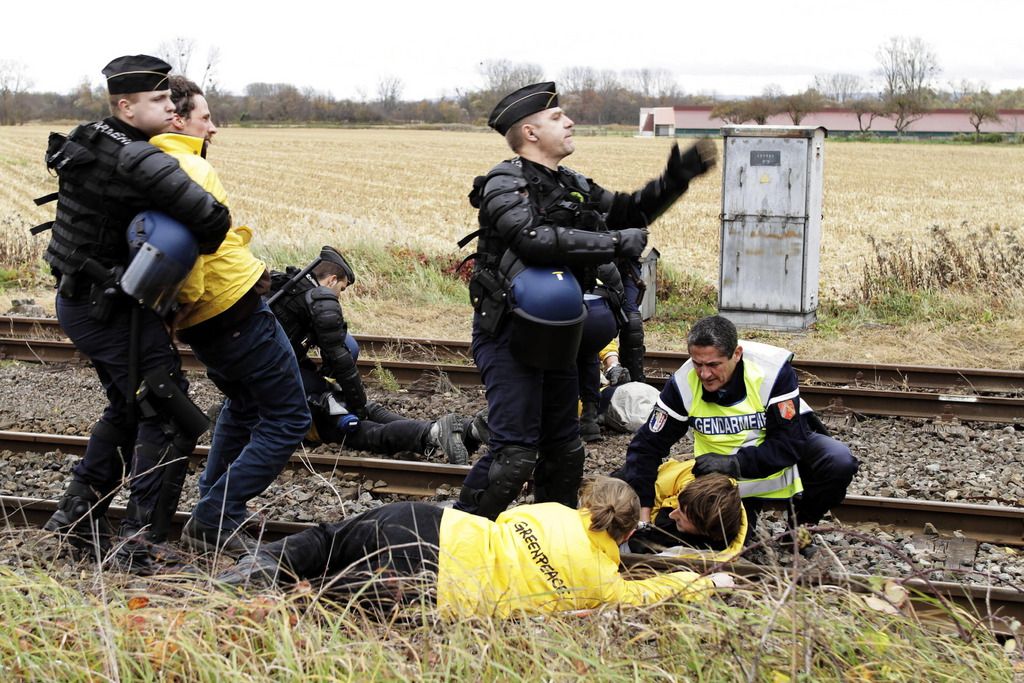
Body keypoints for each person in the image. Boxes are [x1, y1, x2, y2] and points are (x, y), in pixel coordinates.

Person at [455, 81, 717, 520]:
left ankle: (548, 541)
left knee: (565, 451)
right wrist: (614, 243)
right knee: (515, 455)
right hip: (508, 335)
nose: (569, 121)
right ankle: (456, 536)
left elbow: (629, 211)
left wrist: (675, 180)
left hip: (559, 337)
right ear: (531, 133)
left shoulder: (570, 183)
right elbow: (532, 239)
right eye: (557, 117)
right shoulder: (505, 180)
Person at [35, 55, 230, 562]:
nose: (171, 108)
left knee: (128, 408)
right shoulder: (139, 159)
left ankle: (74, 522)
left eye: (171, 99)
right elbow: (214, 220)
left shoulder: (92, 134)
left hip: (83, 301)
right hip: (107, 309)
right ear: (127, 106)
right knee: (168, 412)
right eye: (159, 100)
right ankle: (139, 546)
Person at [154, 76, 311, 556]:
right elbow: (194, 253)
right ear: (178, 119)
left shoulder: (153, 163)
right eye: (206, 117)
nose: (214, 128)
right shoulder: (189, 167)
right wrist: (199, 298)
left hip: (211, 318)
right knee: (289, 417)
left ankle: (213, 505)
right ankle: (216, 515)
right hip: (232, 307)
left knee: (243, 407)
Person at [217, 475, 734, 617]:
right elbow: (650, 593)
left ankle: (259, 565)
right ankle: (280, 598)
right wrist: (704, 581)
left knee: (328, 541)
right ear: (625, 535)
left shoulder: (552, 513)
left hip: (429, 524)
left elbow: (508, 517)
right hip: (434, 585)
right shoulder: (601, 584)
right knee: (329, 595)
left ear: (590, 504)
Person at [619, 315, 859, 548]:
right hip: (727, 483)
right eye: (697, 364)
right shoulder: (683, 383)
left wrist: (734, 463)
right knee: (723, 539)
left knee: (838, 460)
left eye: (713, 365)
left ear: (736, 354)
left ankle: (801, 528)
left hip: (764, 464)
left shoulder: (772, 372)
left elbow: (789, 443)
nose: (704, 374)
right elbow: (646, 446)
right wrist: (643, 517)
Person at [267, 248, 484, 464]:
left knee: (366, 421)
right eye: (341, 289)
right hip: (293, 402)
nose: (340, 296)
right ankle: (444, 431)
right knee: (363, 423)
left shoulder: (288, 298)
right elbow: (341, 358)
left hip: (288, 394)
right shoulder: (309, 302)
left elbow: (286, 354)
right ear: (332, 280)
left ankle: (438, 431)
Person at [626, 460, 747, 561]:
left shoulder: (719, 520)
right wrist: (645, 523)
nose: (672, 515)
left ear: (704, 530)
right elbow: (644, 491)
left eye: (681, 517)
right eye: (678, 508)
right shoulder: (691, 495)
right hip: (647, 476)